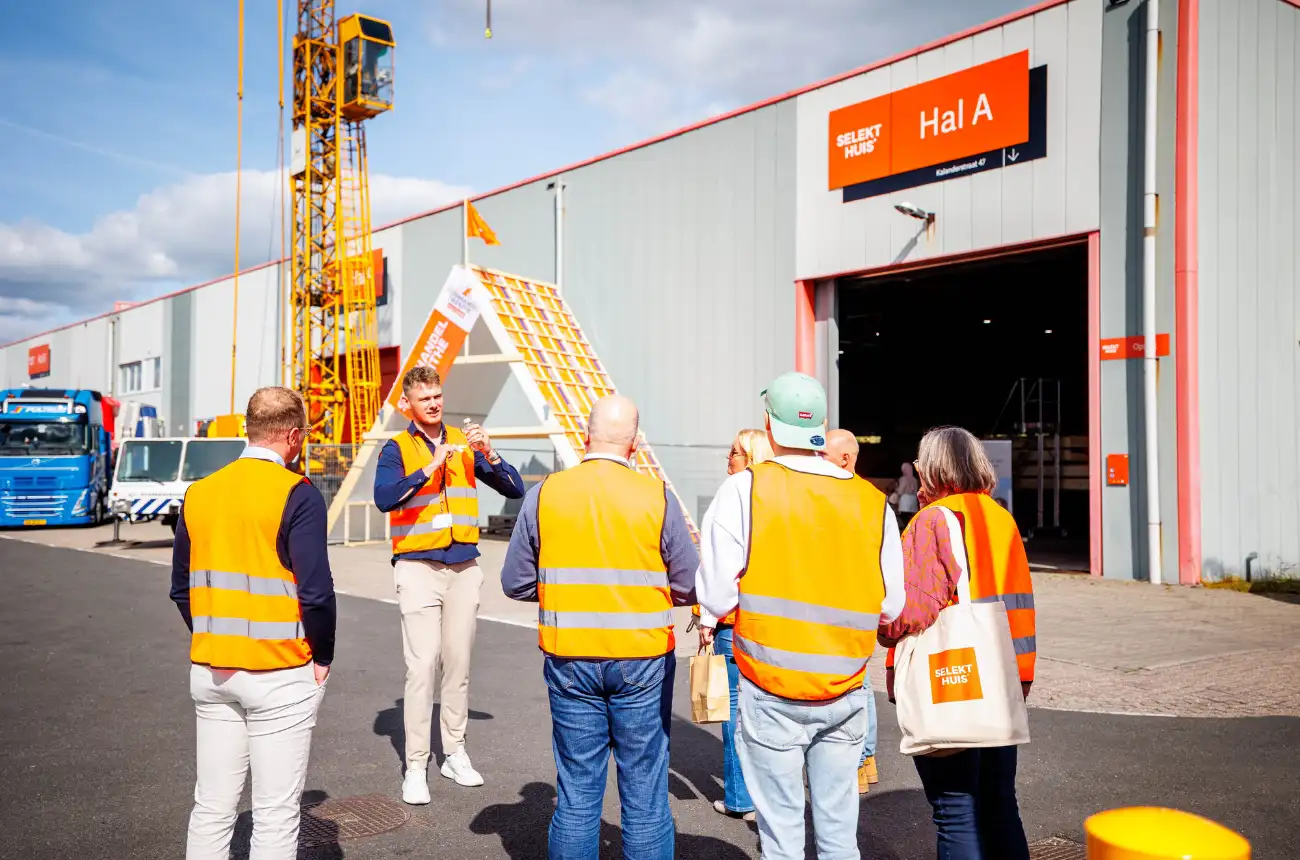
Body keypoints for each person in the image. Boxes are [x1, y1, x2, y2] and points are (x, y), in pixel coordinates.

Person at [697, 372, 904, 860]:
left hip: (771, 687)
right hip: (845, 688)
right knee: (838, 832)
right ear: (823, 426)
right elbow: (891, 606)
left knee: (782, 835)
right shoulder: (874, 504)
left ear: (769, 427)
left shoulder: (746, 489)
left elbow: (717, 594)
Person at [500, 394, 699, 860]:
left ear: (585, 436)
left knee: (577, 791)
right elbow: (690, 585)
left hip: (569, 656)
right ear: (635, 445)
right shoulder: (657, 497)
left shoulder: (545, 494)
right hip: (642, 660)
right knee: (646, 790)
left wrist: (564, 595)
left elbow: (515, 582)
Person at [170, 386, 337, 860]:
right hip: (279, 671)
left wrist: (214, 632)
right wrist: (321, 654)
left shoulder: (199, 493)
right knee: (275, 816)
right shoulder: (297, 494)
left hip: (211, 669)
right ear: (292, 435)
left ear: (249, 429)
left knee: (212, 806)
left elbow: (181, 588)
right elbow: (316, 593)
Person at [878, 426, 1035, 860]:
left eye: (923, 461)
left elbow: (911, 611)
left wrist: (880, 622)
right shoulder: (999, 516)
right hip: (1004, 680)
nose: (920, 469)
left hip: (954, 680)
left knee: (956, 812)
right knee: (1001, 806)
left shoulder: (934, 520)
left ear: (938, 468)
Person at [373, 365, 526, 803]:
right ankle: (416, 765)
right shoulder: (397, 448)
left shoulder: (463, 444)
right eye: (425, 398)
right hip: (418, 568)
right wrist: (428, 469)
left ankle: (454, 752)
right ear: (409, 404)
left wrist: (491, 455)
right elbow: (385, 497)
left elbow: (513, 489)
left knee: (457, 666)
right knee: (422, 666)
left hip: (463, 568)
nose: (435, 403)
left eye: (438, 395)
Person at [694, 427, 773, 822]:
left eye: (735, 452)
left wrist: (707, 616)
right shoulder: (777, 490)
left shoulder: (736, 489)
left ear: (750, 456)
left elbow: (719, 561)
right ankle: (770, 794)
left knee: (735, 708)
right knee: (770, 710)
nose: (728, 459)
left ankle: (741, 797)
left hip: (734, 618)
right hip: (772, 618)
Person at [822, 429, 880, 796]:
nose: (817, 461)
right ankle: (863, 759)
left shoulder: (863, 500)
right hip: (843, 603)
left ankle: (860, 759)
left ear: (845, 459)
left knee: (858, 684)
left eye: (824, 455)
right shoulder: (870, 498)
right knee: (859, 683)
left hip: (850, 605)